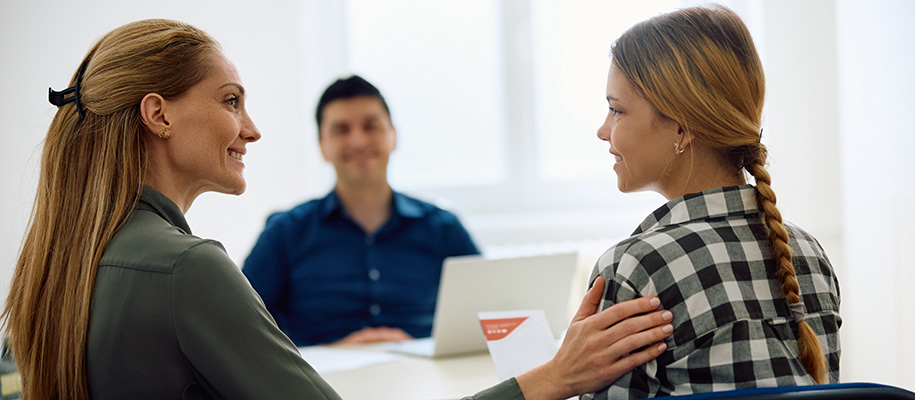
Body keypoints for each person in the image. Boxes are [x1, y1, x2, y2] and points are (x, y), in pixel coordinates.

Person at [1, 19, 675, 400]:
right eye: (231, 100)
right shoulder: (190, 269)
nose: (252, 128)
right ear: (159, 115)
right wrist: (551, 379)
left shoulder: (74, 257)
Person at [583, 5, 841, 398]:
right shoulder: (809, 253)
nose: (603, 131)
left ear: (682, 127)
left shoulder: (636, 270)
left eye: (616, 110)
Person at [243, 75, 480, 346]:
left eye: (371, 126)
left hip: (433, 380)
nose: (358, 140)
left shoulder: (444, 228)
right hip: (317, 383)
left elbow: (487, 315)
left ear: (394, 136)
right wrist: (333, 352)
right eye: (341, 130)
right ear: (322, 147)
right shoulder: (285, 232)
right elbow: (242, 326)